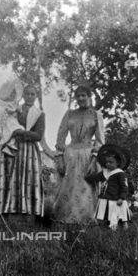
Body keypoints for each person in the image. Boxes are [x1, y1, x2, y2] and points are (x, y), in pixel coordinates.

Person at [53, 84, 105, 225]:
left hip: (88, 157)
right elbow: (60, 137)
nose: (81, 98)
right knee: (68, 188)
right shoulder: (69, 114)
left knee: (86, 189)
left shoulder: (96, 115)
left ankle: (85, 221)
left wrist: (94, 162)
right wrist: (59, 158)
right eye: (78, 96)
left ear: (89, 96)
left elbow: (100, 141)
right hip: (70, 155)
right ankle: (65, 220)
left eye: (84, 95)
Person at [0, 83, 46, 221]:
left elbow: (39, 135)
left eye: (32, 94)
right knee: (10, 177)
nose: (29, 96)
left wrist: (22, 133)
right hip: (13, 147)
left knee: (30, 179)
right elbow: (5, 123)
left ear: (36, 97)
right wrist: (12, 133)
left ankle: (30, 214)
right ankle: (7, 212)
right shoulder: (14, 108)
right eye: (27, 93)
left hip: (29, 150)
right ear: (22, 95)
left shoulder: (39, 114)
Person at [93, 144, 131, 230]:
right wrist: (87, 178)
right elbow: (95, 178)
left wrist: (122, 197)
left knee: (120, 214)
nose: (108, 164)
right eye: (106, 162)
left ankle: (123, 226)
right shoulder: (104, 172)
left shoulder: (120, 173)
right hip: (105, 197)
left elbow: (124, 186)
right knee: (105, 212)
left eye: (111, 162)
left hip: (115, 198)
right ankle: (103, 225)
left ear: (117, 163)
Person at [0, 78, 24, 156]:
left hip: (13, 122)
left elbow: (19, 110)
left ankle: (9, 145)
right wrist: (8, 110)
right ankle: (2, 144)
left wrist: (16, 109)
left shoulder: (14, 104)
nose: (12, 96)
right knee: (8, 132)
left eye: (13, 94)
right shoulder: (0, 103)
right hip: (5, 123)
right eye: (10, 94)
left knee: (15, 132)